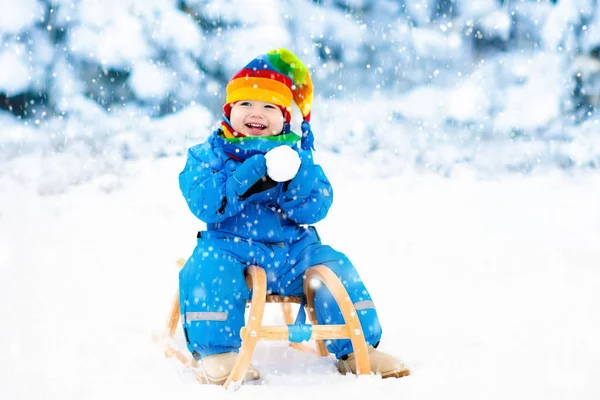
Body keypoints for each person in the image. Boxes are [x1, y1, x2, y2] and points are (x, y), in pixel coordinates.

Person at [178, 48, 409, 385]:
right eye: (245, 104)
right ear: (228, 111)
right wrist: (247, 177)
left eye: (269, 106)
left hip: (291, 250)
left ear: (285, 117)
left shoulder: (297, 156)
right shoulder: (208, 154)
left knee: (334, 265)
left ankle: (357, 348)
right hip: (231, 247)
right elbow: (204, 203)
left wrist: (296, 177)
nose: (256, 113)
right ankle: (217, 350)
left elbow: (317, 207)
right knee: (208, 266)